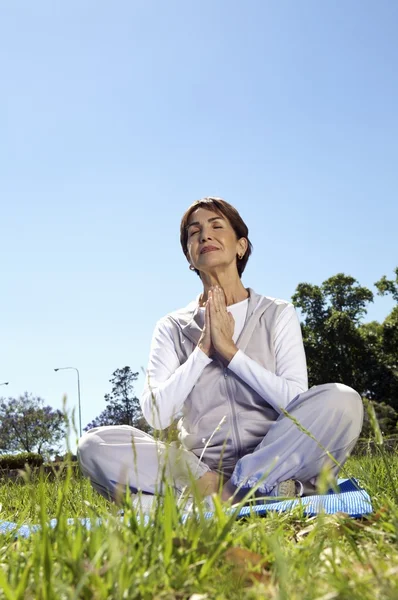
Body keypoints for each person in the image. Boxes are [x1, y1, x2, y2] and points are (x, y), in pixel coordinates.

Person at [78, 197, 363, 505]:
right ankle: (248, 494)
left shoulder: (277, 313)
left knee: (343, 399)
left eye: (217, 226)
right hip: (200, 470)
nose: (205, 235)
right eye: (193, 231)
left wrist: (231, 354)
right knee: (94, 444)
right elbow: (157, 415)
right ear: (189, 255)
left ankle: (221, 494)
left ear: (241, 246)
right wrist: (202, 350)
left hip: (275, 458)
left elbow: (294, 403)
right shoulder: (171, 327)